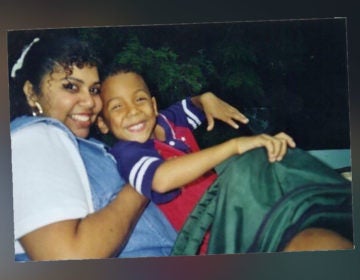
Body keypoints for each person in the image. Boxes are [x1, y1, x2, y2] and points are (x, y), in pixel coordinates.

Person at [96, 65, 353, 255]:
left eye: (139, 99)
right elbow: (161, 179)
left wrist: (205, 98)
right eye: (117, 107)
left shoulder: (165, 121)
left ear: (153, 105)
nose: (132, 111)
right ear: (103, 124)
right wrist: (234, 146)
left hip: (236, 212)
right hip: (209, 241)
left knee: (315, 229)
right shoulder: (127, 152)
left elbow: (192, 105)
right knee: (254, 166)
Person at [9, 35, 178, 261]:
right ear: (31, 92)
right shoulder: (35, 136)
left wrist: (198, 103)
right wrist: (142, 183)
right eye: (71, 87)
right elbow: (65, 259)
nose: (90, 102)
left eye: (94, 90)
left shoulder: (79, 145)